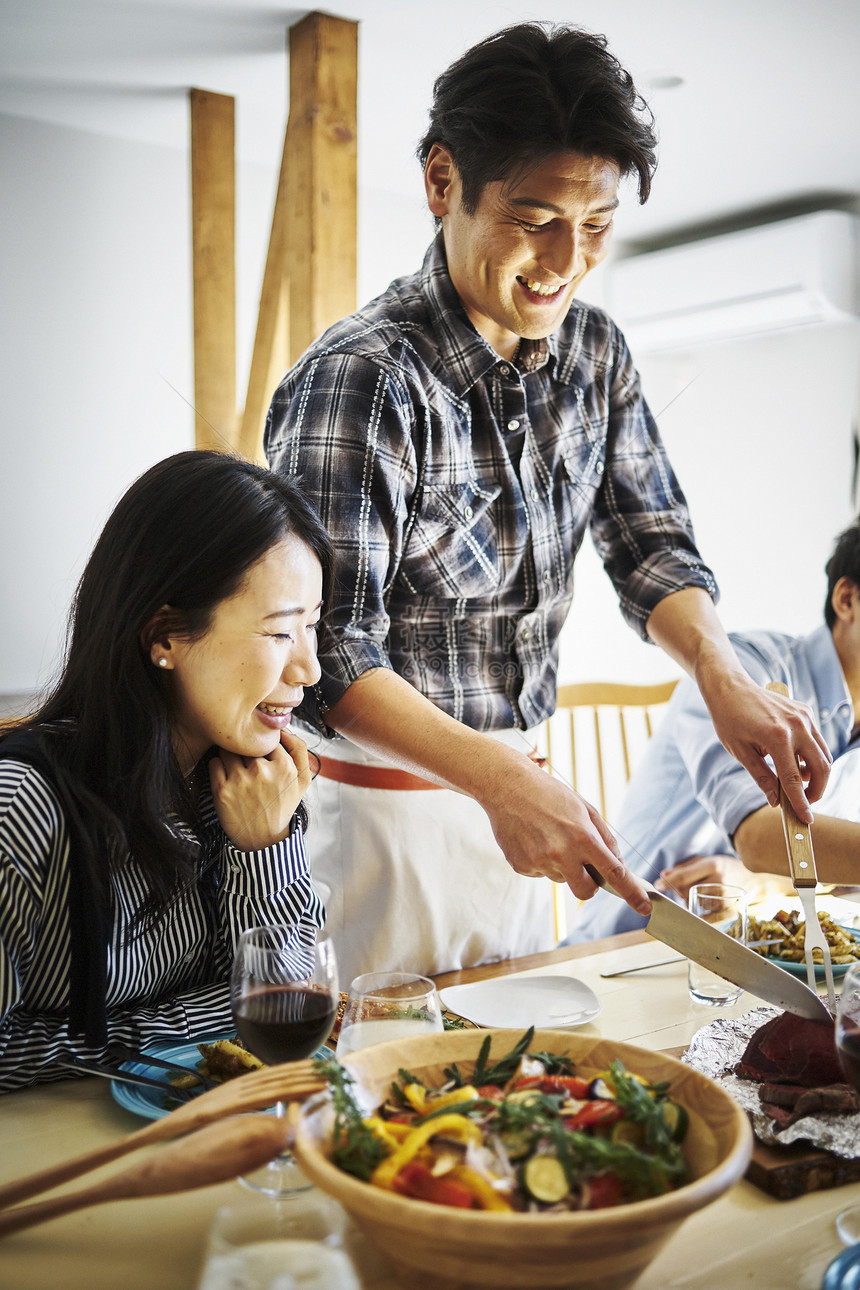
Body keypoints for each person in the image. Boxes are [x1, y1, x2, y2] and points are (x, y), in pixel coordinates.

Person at [264, 22, 830, 984]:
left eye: (598, 226)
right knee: (385, 1105)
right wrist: (499, 781)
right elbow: (325, 656)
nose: (567, 260)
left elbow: (652, 547)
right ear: (443, 182)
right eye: (534, 220)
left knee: (521, 1100)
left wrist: (722, 674)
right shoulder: (363, 380)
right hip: (377, 831)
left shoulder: (595, 354)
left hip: (525, 799)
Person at [0, 451, 332, 1091]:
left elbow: (286, 1007)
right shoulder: (25, 806)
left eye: (313, 628)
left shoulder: (249, 784)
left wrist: (261, 848)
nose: (309, 670)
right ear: (165, 636)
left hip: (207, 1141)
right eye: (280, 634)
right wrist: (196, 1021)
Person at [565, 520, 860, 942]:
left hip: (756, 949)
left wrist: (761, 882)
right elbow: (759, 840)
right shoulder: (737, 670)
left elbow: (829, 874)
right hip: (633, 947)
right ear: (847, 599)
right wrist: (760, 872)